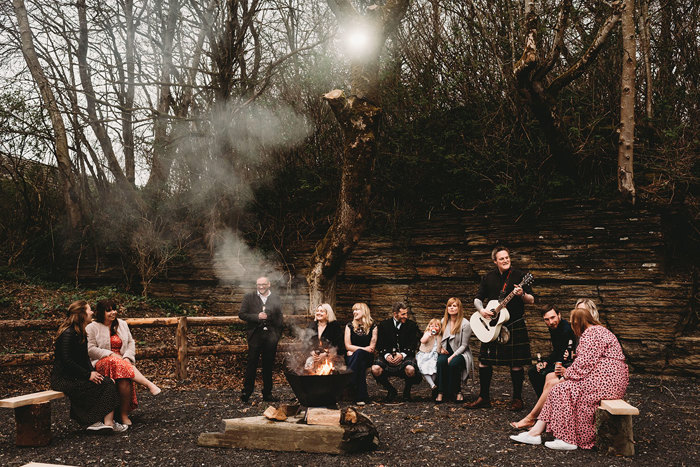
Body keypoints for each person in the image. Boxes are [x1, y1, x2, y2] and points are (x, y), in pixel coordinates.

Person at [510, 307, 629, 450]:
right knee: (559, 388)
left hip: (607, 381)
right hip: (607, 380)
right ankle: (535, 433)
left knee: (562, 389)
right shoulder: (599, 330)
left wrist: (567, 376)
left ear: (578, 323)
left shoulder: (590, 334)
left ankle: (567, 440)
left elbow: (584, 363)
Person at [467, 245, 535, 411]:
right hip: (491, 326)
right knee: (484, 361)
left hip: (514, 324)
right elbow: (477, 298)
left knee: (516, 363)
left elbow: (531, 300)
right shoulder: (488, 277)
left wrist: (522, 294)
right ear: (495, 261)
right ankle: (484, 397)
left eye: (507, 257)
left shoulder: (519, 276)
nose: (505, 260)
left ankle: (517, 399)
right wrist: (481, 310)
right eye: (502, 258)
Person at [50, 300, 127, 433]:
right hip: (63, 379)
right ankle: (97, 421)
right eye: (89, 310)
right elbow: (66, 361)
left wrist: (95, 374)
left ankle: (107, 424)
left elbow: (85, 359)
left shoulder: (81, 332)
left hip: (76, 375)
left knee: (107, 381)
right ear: (81, 314)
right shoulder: (68, 334)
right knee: (105, 384)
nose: (92, 312)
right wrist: (88, 375)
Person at [86, 299, 161, 426]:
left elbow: (131, 342)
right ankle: (148, 384)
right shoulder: (92, 327)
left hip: (122, 362)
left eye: (114, 309)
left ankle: (123, 414)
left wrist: (127, 357)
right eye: (108, 310)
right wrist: (110, 354)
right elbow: (90, 349)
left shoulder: (122, 324)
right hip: (101, 362)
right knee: (116, 362)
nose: (113, 312)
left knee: (125, 379)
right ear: (100, 313)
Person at [510, 304, 576, 429]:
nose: (551, 322)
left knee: (545, 374)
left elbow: (565, 355)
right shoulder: (554, 327)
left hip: (567, 364)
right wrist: (545, 362)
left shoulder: (566, 329)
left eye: (553, 317)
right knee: (533, 371)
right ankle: (544, 408)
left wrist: (549, 364)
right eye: (547, 319)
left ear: (559, 315)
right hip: (559, 360)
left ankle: (543, 412)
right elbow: (557, 351)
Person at [238, 276, 284, 402]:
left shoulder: (275, 298)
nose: (261, 287)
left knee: (268, 365)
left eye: (264, 284)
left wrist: (277, 334)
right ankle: (247, 392)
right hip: (255, 336)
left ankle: (267, 394)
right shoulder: (249, 297)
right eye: (259, 284)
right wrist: (257, 316)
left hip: (271, 337)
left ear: (269, 284)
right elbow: (242, 314)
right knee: (251, 364)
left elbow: (280, 317)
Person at [371, 302, 421, 401]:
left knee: (410, 369)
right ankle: (391, 390)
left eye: (407, 313)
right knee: (375, 369)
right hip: (388, 356)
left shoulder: (412, 325)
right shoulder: (384, 325)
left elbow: (413, 343)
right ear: (395, 314)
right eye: (403, 314)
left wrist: (402, 355)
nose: (406, 316)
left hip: (405, 356)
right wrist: (386, 355)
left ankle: (407, 392)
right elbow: (380, 343)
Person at [435, 298, 473, 403]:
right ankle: (441, 392)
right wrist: (441, 349)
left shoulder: (465, 324)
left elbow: (464, 345)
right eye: (449, 306)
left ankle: (457, 391)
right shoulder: (443, 321)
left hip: (460, 353)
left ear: (459, 308)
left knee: (453, 363)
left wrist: (452, 356)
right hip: (446, 351)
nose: (451, 308)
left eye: (454, 306)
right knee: (441, 361)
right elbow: (439, 337)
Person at [344, 303, 377, 405]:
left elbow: (372, 348)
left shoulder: (373, 326)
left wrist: (356, 350)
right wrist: (363, 349)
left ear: (364, 311)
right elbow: (347, 346)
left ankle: (350, 379)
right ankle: (361, 397)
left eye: (357, 310)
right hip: (352, 357)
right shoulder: (349, 326)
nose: (354, 312)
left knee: (359, 355)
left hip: (366, 357)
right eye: (353, 310)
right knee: (360, 362)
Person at [304, 303, 345, 371]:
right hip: (315, 356)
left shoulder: (334, 326)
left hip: (332, 356)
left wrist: (326, 354)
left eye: (321, 311)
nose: (318, 313)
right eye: (317, 311)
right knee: (309, 363)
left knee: (332, 368)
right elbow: (305, 342)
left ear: (328, 313)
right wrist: (311, 352)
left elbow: (339, 344)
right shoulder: (312, 325)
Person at [416, 319, 442, 397]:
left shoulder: (440, 336)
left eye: (436, 326)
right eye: (432, 326)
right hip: (425, 355)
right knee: (424, 369)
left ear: (440, 328)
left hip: (434, 356)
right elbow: (422, 341)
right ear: (429, 326)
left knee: (434, 371)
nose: (434, 327)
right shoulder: (427, 333)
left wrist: (442, 349)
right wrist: (428, 335)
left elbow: (441, 344)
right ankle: (432, 385)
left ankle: (433, 386)